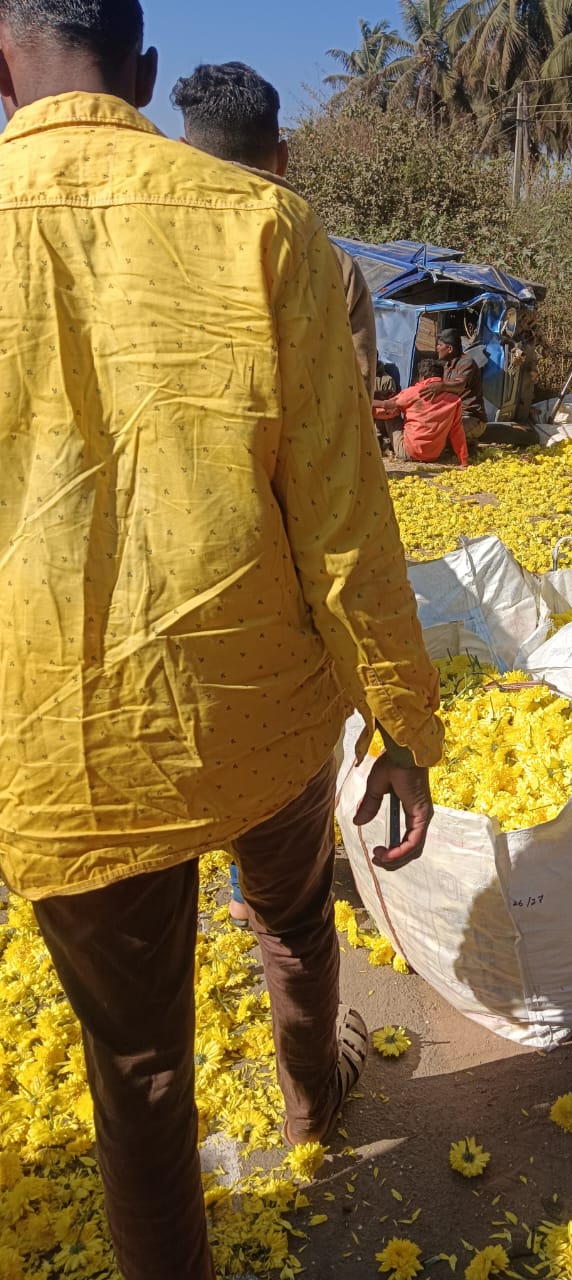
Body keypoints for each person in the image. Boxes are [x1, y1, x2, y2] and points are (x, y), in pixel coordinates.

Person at [0, 6, 443, 1280]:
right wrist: (401, 722)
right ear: (142, 74)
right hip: (258, 700)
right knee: (296, 919)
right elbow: (343, 508)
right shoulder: (264, 223)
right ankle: (316, 1100)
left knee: (136, 1065)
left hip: (60, 734)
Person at [170, 60, 382, 925]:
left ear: (184, 150)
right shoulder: (319, 258)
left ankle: (198, 867)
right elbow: (346, 438)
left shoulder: (137, 250)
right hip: (285, 559)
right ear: (284, 154)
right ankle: (272, 888)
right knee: (286, 737)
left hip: (159, 563)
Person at [171, 60, 377, 400]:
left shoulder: (143, 241)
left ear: (185, 152)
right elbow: (356, 391)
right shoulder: (333, 263)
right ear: (282, 157)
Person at [373, 358, 468, 466]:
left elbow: (386, 408)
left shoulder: (412, 392)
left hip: (408, 452)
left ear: (421, 377)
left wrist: (369, 404)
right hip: (434, 455)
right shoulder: (454, 400)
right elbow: (457, 432)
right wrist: (463, 460)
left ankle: (379, 443)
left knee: (391, 413)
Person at [436, 326, 487, 442]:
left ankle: (470, 444)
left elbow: (460, 385)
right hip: (455, 416)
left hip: (472, 419)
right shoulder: (447, 366)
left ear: (449, 348)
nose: (437, 348)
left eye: (439, 345)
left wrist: (441, 386)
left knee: (441, 435)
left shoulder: (466, 362)